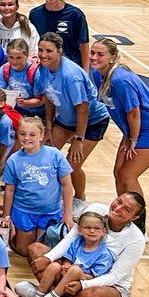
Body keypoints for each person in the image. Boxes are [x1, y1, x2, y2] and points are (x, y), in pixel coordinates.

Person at [23, 192, 148, 297]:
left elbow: (114, 276)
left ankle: (45, 294)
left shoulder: (136, 240)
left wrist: (83, 285)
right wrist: (49, 258)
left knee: (94, 296)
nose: (118, 208)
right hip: (71, 269)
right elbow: (70, 239)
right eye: (118, 201)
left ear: (134, 217)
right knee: (36, 250)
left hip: (106, 284)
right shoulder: (95, 209)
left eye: (126, 209)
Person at [89, 37, 149, 195]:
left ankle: (136, 212)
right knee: (118, 173)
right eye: (92, 53)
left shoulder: (120, 80)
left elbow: (133, 113)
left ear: (112, 58)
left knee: (127, 175)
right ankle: (122, 210)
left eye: (100, 54)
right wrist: (127, 134)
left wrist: (132, 140)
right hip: (135, 129)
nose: (94, 57)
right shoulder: (97, 75)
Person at [36, 32, 109, 200]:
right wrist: (48, 128)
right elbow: (49, 97)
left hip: (92, 121)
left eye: (49, 51)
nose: (43, 55)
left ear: (59, 51)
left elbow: (82, 109)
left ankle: (79, 199)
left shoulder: (71, 75)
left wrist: (78, 139)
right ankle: (47, 197)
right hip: (66, 119)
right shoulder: (44, 69)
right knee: (44, 156)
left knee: (72, 164)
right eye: (41, 50)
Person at [0, 116, 74, 256]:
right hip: (24, 211)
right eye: (22, 134)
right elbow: (9, 190)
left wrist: (67, 214)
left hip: (50, 212)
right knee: (24, 251)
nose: (27, 138)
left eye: (32, 134)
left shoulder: (55, 155)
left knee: (40, 250)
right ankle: (13, 233)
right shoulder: (13, 160)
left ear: (41, 136)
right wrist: (6, 214)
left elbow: (67, 185)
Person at [26, 210, 115, 297]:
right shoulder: (76, 242)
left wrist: (74, 273)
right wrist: (65, 266)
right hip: (67, 275)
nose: (92, 231)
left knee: (75, 270)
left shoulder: (104, 254)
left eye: (97, 228)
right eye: (87, 227)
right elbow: (68, 259)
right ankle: (38, 296)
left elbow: (93, 277)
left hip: (83, 281)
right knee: (54, 266)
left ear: (103, 232)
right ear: (80, 230)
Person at [29, 0, 90, 69]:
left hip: (69, 67)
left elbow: (83, 46)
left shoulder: (75, 15)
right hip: (43, 66)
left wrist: (85, 72)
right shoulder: (34, 14)